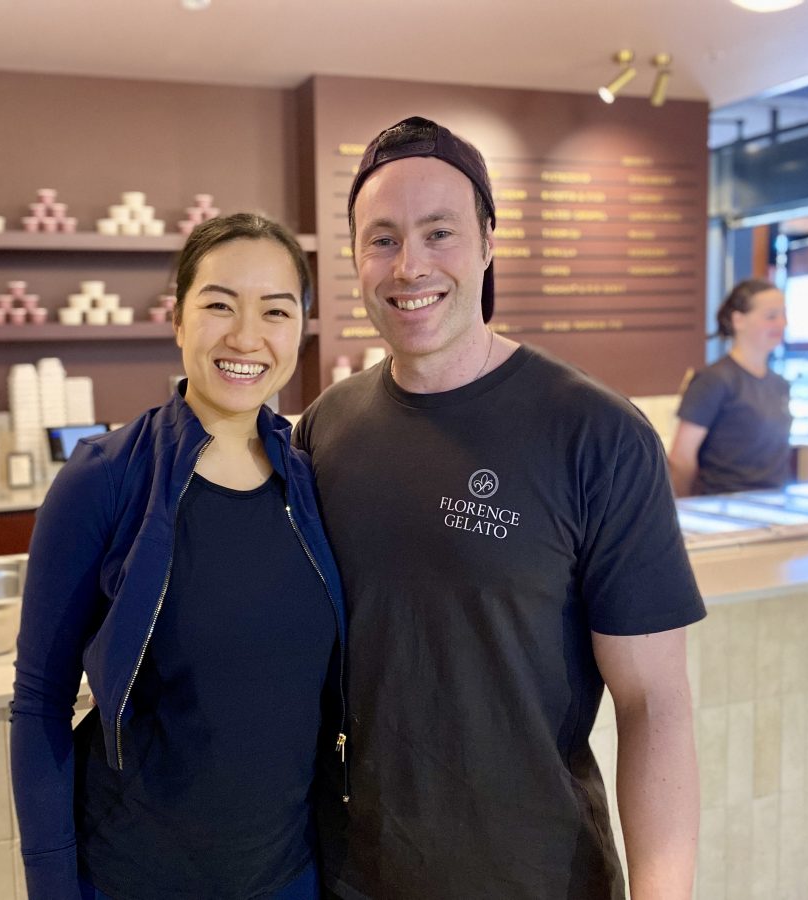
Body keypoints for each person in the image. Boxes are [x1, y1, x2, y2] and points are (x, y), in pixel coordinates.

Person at [293, 117, 706, 900]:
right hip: (354, 874)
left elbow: (654, 705)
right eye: (381, 239)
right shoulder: (325, 429)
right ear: (354, 257)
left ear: (488, 240)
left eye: (438, 231)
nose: (409, 264)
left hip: (539, 877)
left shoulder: (597, 434)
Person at [9, 213, 346, 900]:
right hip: (137, 876)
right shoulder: (103, 479)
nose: (246, 337)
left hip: (291, 877)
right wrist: (50, 885)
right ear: (178, 320)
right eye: (219, 305)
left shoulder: (312, 483)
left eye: (275, 311)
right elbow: (39, 702)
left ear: (300, 330)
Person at [668, 279, 792, 496]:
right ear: (738, 320)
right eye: (771, 316)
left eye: (783, 314)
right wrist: (684, 513)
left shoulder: (779, 384)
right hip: (725, 509)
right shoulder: (713, 380)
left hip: (774, 509)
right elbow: (681, 458)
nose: (781, 323)